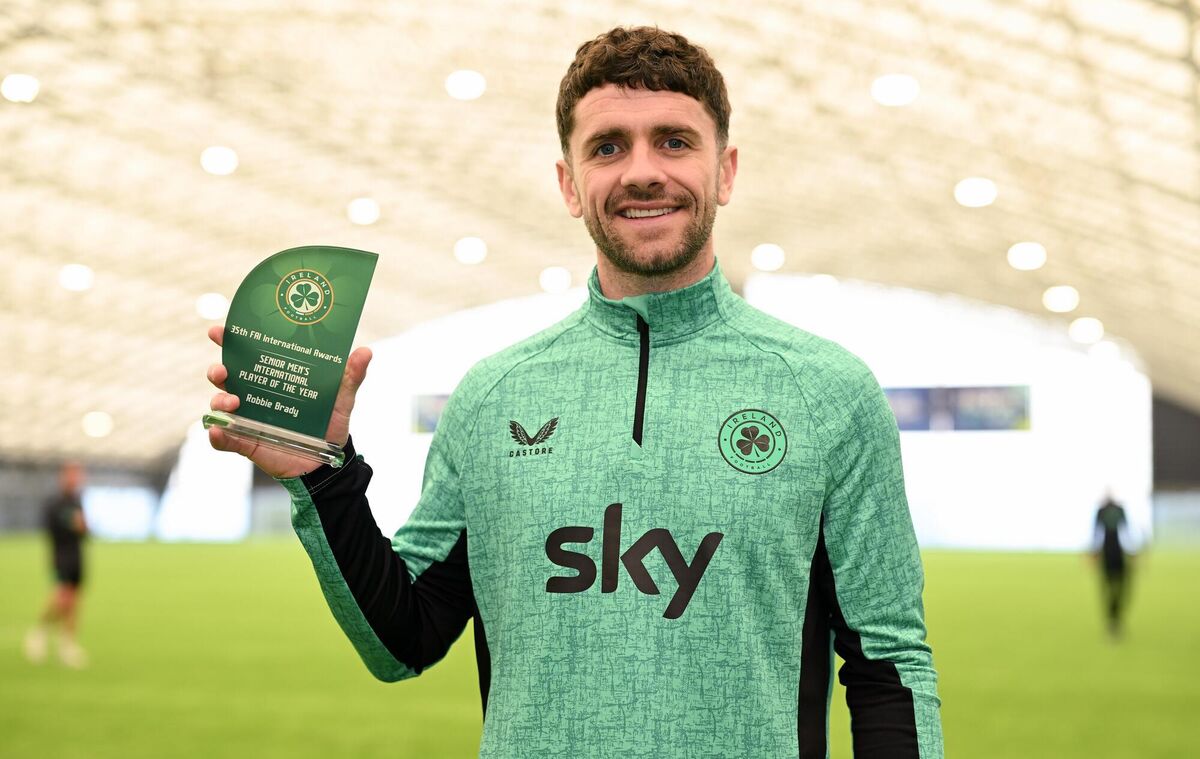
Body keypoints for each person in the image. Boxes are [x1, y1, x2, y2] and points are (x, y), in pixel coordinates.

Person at [207, 26, 942, 757]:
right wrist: (320, 473)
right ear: (569, 183)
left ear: (726, 171)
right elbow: (404, 637)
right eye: (608, 146)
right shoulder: (494, 396)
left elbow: (888, 664)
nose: (642, 171)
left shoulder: (828, 392)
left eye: (675, 141)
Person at [24, 461, 89, 668]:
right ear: (63, 477)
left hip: (77, 556)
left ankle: (67, 644)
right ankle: (39, 632)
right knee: (61, 598)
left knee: (74, 601)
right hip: (60, 557)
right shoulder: (54, 503)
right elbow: (51, 532)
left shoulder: (78, 501)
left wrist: (83, 526)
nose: (75, 479)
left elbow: (85, 532)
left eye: (77, 475)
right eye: (71, 475)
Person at [1093, 492, 1133, 638]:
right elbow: (1096, 533)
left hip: (1114, 553)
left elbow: (1126, 532)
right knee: (1113, 588)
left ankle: (1114, 618)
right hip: (1112, 553)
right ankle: (1113, 619)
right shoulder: (1105, 511)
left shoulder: (1109, 511)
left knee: (1116, 588)